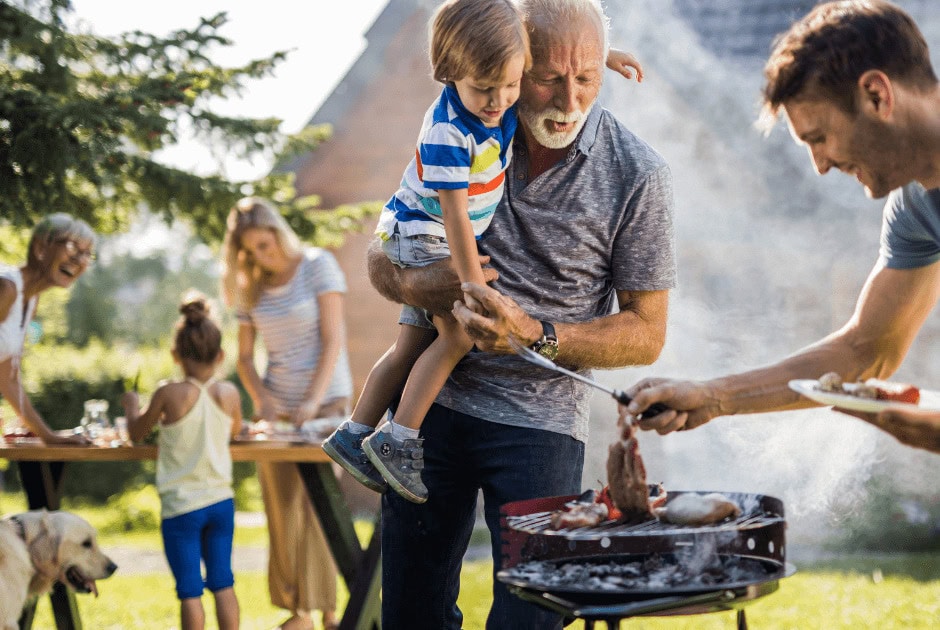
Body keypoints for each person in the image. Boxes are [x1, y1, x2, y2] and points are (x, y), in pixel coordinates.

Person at [365, 0, 676, 625]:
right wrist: (422, 284)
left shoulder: (639, 175)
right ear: (511, 64)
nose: (568, 100)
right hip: (431, 414)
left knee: (529, 619)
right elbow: (381, 258)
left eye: (587, 77)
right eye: (548, 77)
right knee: (409, 616)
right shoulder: (466, 125)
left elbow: (647, 334)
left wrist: (534, 333)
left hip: (542, 429)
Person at [323, 0, 645, 505]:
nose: (499, 100)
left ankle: (353, 432)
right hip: (426, 235)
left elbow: (543, 54)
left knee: (409, 346)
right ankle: (398, 438)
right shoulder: (453, 132)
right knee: (453, 337)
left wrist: (602, 56)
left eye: (511, 85)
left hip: (538, 420)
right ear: (454, 74)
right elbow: (454, 218)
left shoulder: (491, 91)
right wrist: (471, 286)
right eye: (491, 87)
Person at [622, 0, 940, 456]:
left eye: (819, 137)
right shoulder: (913, 206)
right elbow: (865, 350)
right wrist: (713, 397)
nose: (821, 165)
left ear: (877, 95)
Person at [221, 197, 352, 630]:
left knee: (316, 508)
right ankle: (297, 611)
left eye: (265, 244)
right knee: (281, 510)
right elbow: (243, 358)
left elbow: (333, 340)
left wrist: (312, 401)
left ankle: (329, 612)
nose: (263, 255)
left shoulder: (318, 265)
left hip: (325, 408)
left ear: (278, 231)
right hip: (276, 418)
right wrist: (262, 398)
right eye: (252, 250)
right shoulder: (250, 284)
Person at [120, 293, 241, 630]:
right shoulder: (229, 394)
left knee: (190, 590)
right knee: (223, 582)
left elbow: (136, 433)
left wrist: (131, 405)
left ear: (175, 354)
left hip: (181, 507)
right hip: (220, 502)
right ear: (221, 356)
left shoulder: (167, 393)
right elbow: (235, 431)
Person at [0, 213, 95, 445]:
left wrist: (50, 437)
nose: (79, 260)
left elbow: (8, 380)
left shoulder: (30, 301)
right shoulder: (6, 288)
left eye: (86, 254)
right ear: (41, 248)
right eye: (73, 247)